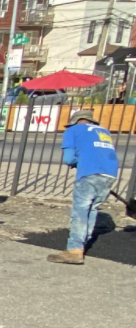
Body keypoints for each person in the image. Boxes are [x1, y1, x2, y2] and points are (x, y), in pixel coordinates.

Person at [48, 104, 119, 264]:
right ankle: (82, 243)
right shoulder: (103, 131)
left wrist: (76, 162)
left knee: (80, 210)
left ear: (75, 121)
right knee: (92, 209)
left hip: (89, 173)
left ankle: (74, 250)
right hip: (110, 173)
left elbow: (68, 158)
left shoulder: (72, 131)